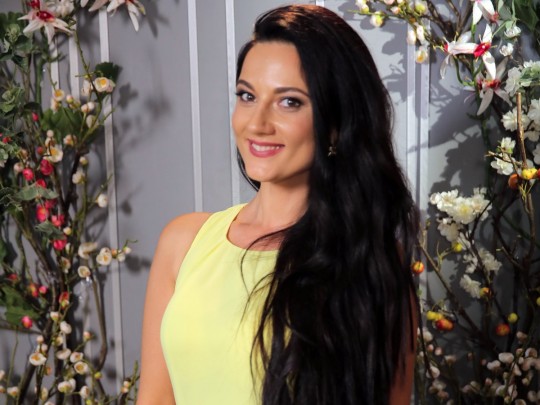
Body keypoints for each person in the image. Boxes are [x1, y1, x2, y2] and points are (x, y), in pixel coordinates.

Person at [137, 4, 419, 405]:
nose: (257, 123)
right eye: (247, 96)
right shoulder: (182, 242)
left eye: (289, 102)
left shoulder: (370, 264)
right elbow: (154, 399)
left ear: (336, 123)